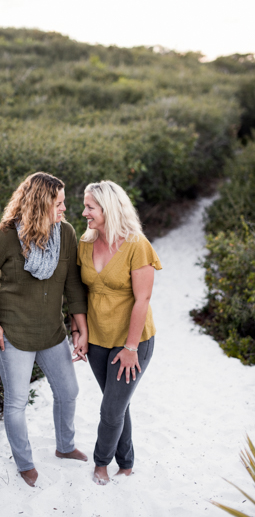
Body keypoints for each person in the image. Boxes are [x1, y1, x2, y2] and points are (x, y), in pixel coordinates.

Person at [0, 172, 89, 487]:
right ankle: (24, 464)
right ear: (40, 204)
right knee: (16, 402)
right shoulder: (7, 235)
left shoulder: (65, 234)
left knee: (69, 391)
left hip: (52, 332)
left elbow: (73, 285)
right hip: (12, 333)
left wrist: (81, 328)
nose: (65, 208)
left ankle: (65, 447)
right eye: (59, 203)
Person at [72, 180, 162, 485]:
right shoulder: (85, 243)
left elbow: (143, 299)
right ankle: (127, 462)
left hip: (133, 342)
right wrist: (78, 331)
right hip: (97, 339)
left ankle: (101, 463)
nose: (84, 212)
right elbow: (77, 294)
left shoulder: (137, 245)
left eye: (90, 207)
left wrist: (131, 347)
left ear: (108, 209)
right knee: (117, 403)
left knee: (111, 408)